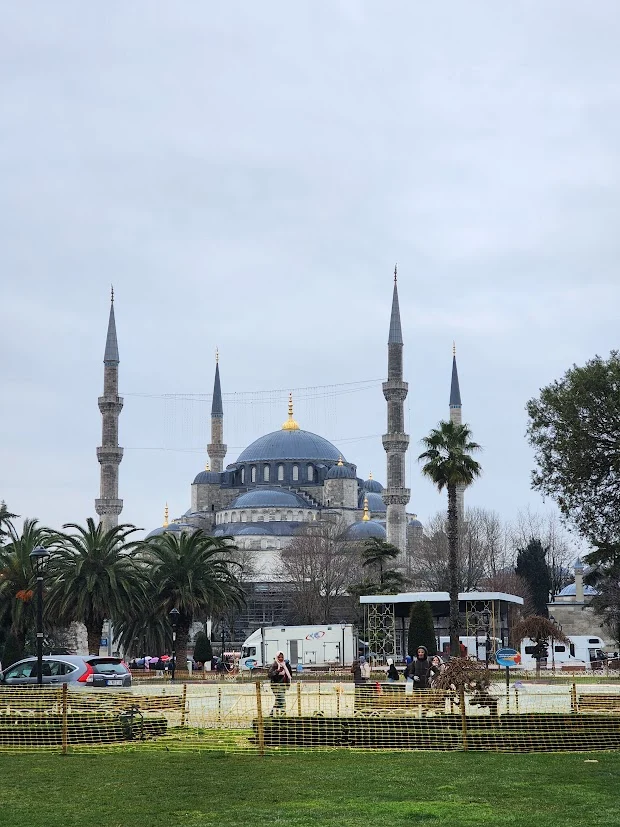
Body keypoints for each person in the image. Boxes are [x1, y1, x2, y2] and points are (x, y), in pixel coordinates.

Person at [268, 650, 292, 715]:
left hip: (283, 685)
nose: (280, 658)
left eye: (282, 657)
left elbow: (289, 675)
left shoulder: (286, 665)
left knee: (278, 701)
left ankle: (272, 715)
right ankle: (283, 715)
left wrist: (288, 684)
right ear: (276, 657)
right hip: (276, 685)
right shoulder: (274, 665)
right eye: (279, 657)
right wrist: (277, 671)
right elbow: (269, 675)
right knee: (282, 701)